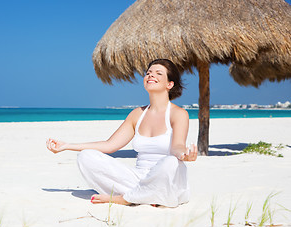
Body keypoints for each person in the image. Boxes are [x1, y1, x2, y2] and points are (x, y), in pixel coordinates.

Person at [47, 59, 197, 207]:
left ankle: (125, 198)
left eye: (158, 73)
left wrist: (183, 155)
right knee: (85, 156)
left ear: (169, 84)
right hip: (138, 179)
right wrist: (67, 146)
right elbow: (109, 145)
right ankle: (144, 196)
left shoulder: (178, 114)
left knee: (171, 162)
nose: (151, 76)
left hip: (166, 179)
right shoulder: (137, 114)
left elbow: (177, 145)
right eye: (148, 73)